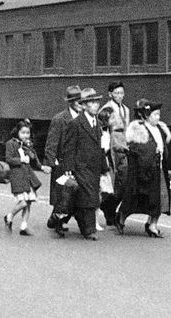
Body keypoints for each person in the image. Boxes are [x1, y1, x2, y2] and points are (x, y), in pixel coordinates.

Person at [116, 99, 171, 238]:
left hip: (158, 170)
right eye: (155, 115)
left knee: (161, 198)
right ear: (147, 116)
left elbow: (163, 147)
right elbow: (138, 152)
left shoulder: (159, 129)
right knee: (134, 198)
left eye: (159, 115)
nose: (158, 118)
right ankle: (121, 218)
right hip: (142, 171)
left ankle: (152, 225)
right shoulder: (139, 131)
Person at [60, 88, 109, 240]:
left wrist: (104, 167)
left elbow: (100, 147)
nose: (96, 105)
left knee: (82, 198)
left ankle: (58, 219)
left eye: (97, 103)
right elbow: (69, 147)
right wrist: (68, 167)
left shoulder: (98, 124)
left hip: (93, 168)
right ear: (85, 105)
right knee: (89, 198)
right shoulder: (76, 123)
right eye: (93, 103)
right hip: (81, 166)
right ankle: (88, 230)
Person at [44, 86, 82, 234]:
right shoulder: (59, 119)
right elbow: (51, 143)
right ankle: (58, 222)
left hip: (78, 163)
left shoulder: (83, 118)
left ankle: (57, 219)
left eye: (81, 100)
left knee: (72, 194)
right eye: (76, 100)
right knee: (63, 195)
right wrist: (50, 162)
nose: (79, 103)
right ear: (70, 102)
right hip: (62, 163)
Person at [4, 120, 50, 235]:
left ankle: (23, 226)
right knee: (23, 202)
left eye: (27, 133)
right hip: (18, 176)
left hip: (28, 176)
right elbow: (9, 159)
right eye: (23, 132)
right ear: (17, 132)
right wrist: (21, 160)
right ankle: (9, 216)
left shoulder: (28, 145)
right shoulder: (11, 143)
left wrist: (42, 167)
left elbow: (35, 159)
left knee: (29, 202)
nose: (25, 135)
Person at [97, 106, 128, 227]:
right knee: (106, 192)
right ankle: (108, 214)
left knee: (113, 191)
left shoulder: (115, 132)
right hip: (105, 165)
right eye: (113, 118)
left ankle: (109, 213)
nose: (116, 120)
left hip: (114, 165)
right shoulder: (103, 133)